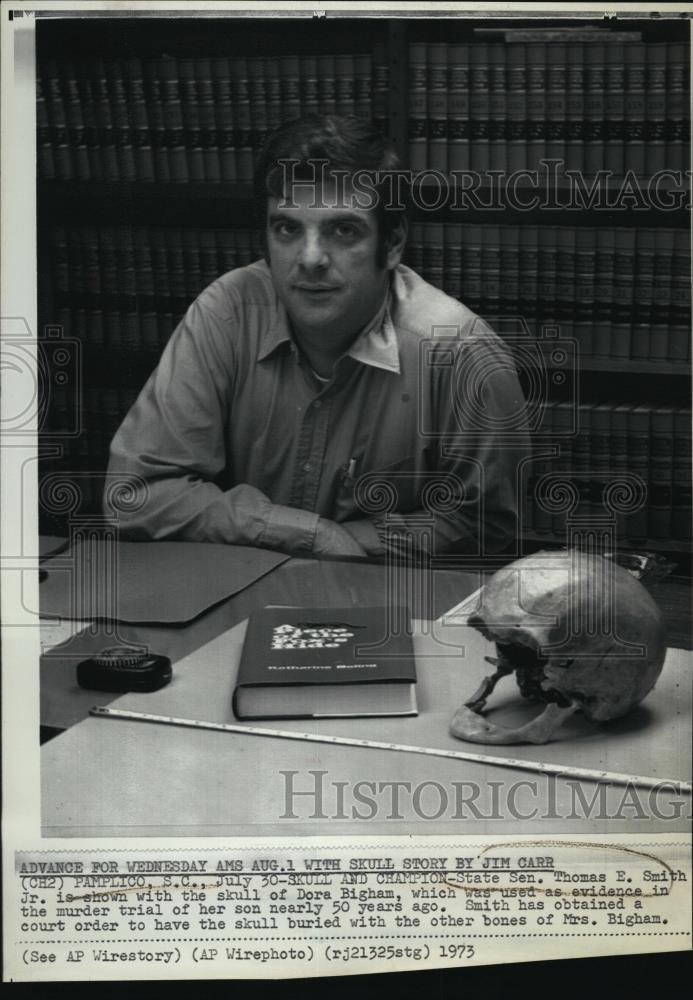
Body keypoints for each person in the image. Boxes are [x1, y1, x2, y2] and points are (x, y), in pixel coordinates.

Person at [105, 114, 530, 559]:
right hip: (237, 597)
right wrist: (312, 535)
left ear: (394, 242)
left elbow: (482, 529)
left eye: (343, 230)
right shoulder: (227, 312)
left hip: (390, 606)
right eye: (288, 229)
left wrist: (342, 546)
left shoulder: (460, 352)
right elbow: (135, 495)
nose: (310, 259)